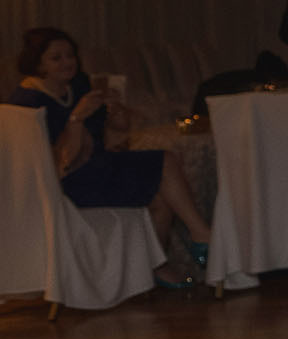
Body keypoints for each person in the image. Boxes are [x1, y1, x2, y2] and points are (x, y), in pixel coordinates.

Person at [9, 26, 211, 286]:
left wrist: (118, 117)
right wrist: (76, 118)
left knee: (162, 194)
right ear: (38, 64)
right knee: (164, 166)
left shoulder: (79, 84)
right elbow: (59, 163)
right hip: (66, 183)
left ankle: (157, 265)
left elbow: (111, 138)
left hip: (98, 167)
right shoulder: (28, 102)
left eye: (70, 55)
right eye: (56, 58)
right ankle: (197, 237)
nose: (67, 62)